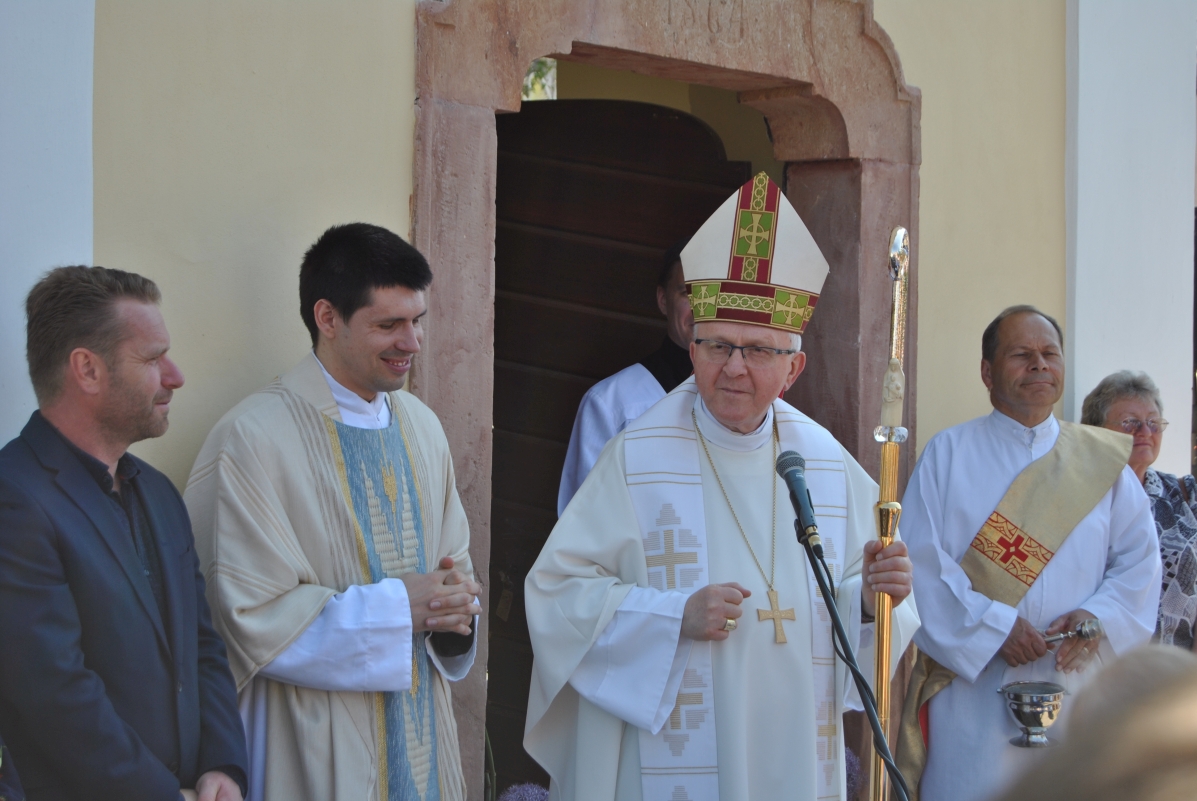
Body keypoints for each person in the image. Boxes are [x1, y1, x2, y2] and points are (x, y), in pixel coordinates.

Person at [524, 173, 920, 801]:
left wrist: (872, 601)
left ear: (794, 369)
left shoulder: (823, 463)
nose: (734, 367)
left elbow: (858, 605)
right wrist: (672, 617)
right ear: (692, 349)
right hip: (673, 752)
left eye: (757, 351)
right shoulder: (638, 456)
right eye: (717, 346)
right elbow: (557, 594)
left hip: (792, 744)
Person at [186, 223, 480, 801]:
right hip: (312, 741)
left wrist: (454, 612)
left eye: (417, 321)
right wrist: (398, 608)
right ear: (327, 317)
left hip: (419, 730)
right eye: (388, 325)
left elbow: (454, 569)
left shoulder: (422, 427)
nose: (412, 342)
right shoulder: (254, 438)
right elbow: (244, 615)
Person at [0, 266, 247, 800]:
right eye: (153, 359)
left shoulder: (158, 492)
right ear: (87, 369)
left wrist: (223, 765)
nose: (175, 376)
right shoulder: (13, 498)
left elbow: (203, 646)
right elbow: (53, 694)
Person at [897, 305, 1161, 801]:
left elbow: (1139, 563)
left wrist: (1098, 618)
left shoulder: (1103, 463)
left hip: (1076, 682)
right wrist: (995, 628)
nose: (1039, 364)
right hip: (974, 692)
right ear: (987, 371)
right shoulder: (948, 455)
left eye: (1049, 354)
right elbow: (920, 566)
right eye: (1021, 354)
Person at [557, 240, 694, 515]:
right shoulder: (611, 403)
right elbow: (582, 521)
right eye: (687, 293)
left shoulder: (740, 401)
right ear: (663, 300)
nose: (702, 307)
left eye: (713, 293)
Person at [1082, 370, 1197, 650]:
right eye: (1130, 423)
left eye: (1153, 423)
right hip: (1098, 664)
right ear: (1096, 429)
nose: (1145, 432)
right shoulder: (1080, 497)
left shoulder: (1185, 494)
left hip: (1177, 666)